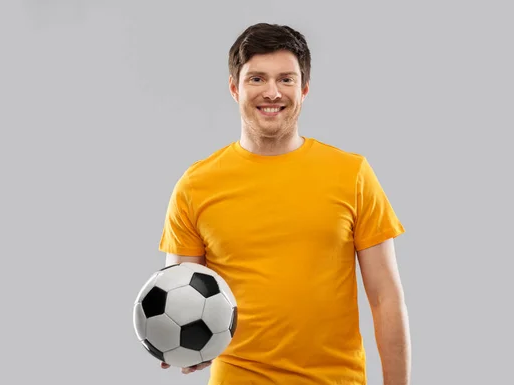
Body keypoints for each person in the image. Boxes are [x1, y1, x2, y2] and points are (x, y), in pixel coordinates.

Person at [157, 22, 411, 385]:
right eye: (257, 79)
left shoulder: (352, 174)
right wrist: (181, 343)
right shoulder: (195, 185)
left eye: (286, 79)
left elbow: (386, 298)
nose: (272, 92)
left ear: (304, 88)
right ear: (234, 87)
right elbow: (180, 295)